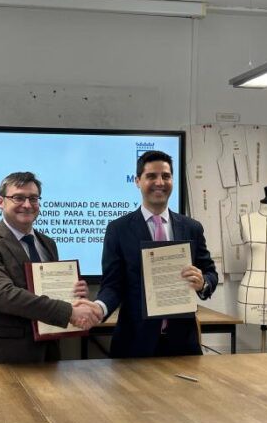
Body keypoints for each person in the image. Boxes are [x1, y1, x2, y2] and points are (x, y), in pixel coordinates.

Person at [83, 150, 218, 358]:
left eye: (166, 176)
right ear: (137, 181)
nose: (160, 182)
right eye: (151, 176)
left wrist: (203, 283)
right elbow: (112, 285)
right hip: (134, 343)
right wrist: (99, 308)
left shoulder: (191, 228)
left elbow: (210, 272)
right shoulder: (118, 230)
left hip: (183, 344)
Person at [0, 172, 99, 364]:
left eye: (33, 198)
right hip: (6, 358)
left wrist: (74, 293)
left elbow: (48, 290)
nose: (27, 205)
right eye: (18, 198)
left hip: (48, 353)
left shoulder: (48, 243)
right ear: (0, 202)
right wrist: (69, 312)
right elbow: (6, 296)